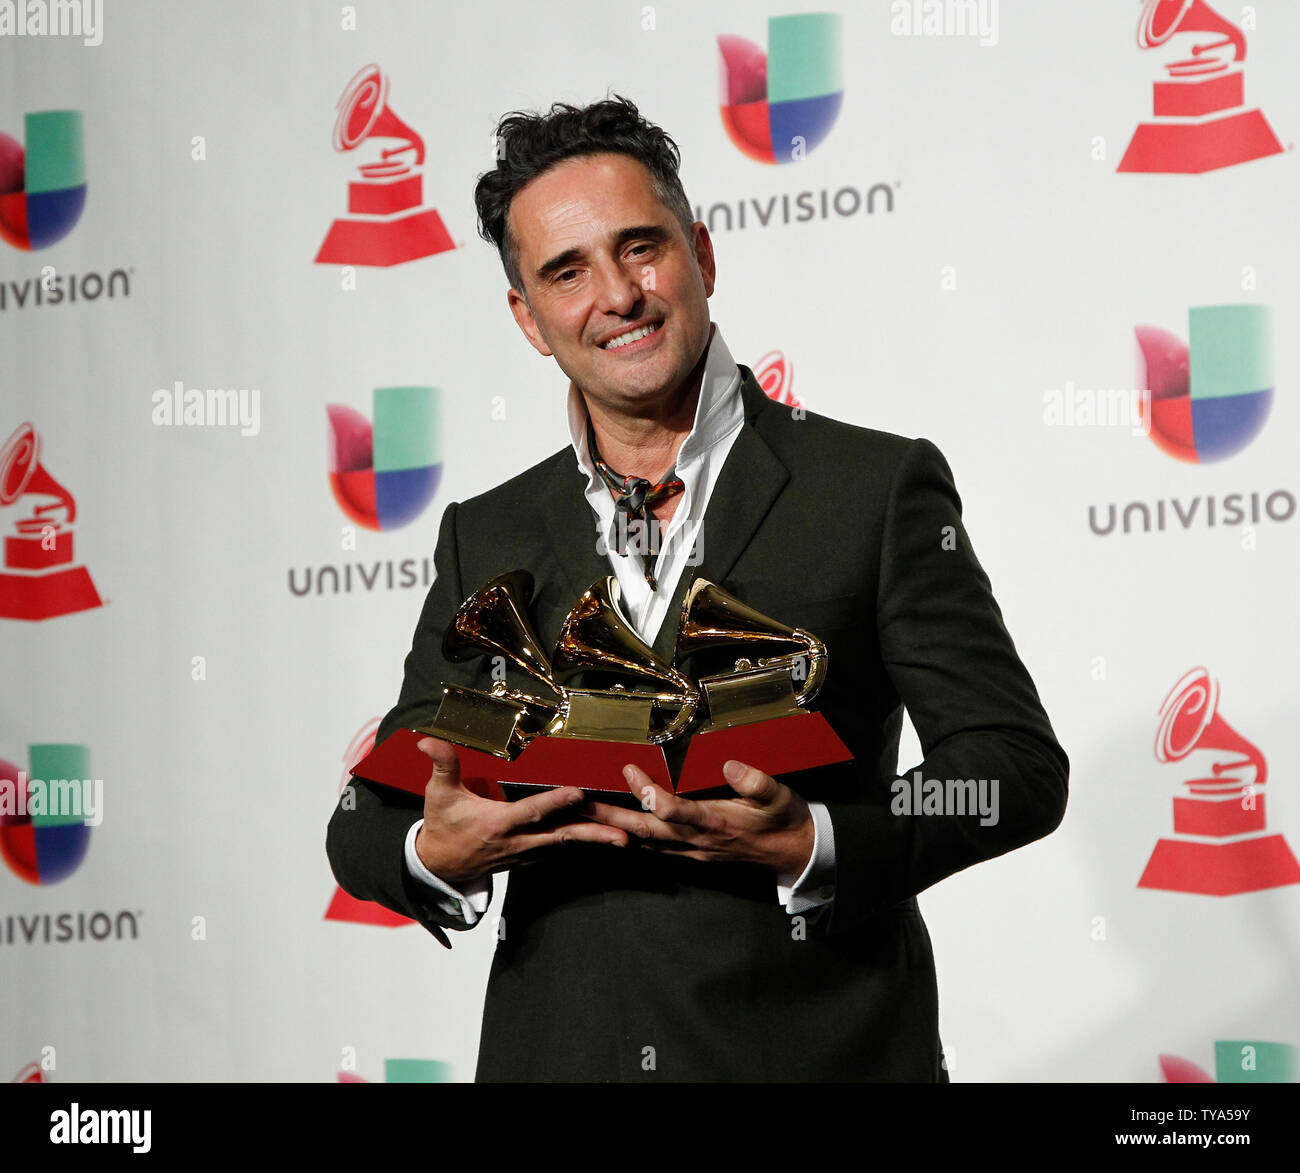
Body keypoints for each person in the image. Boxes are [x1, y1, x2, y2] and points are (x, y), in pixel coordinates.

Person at [326, 96, 1068, 1082]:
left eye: (640, 248)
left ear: (702, 256)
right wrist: (433, 847)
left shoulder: (872, 489)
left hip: (826, 1053)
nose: (618, 294)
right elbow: (369, 816)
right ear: (529, 320)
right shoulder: (487, 533)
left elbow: (1011, 766)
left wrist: (817, 840)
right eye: (567, 270)